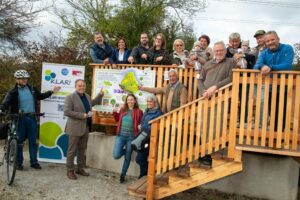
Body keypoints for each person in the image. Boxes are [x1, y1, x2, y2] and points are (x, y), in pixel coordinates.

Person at [0, 69, 61, 170]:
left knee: (33, 141)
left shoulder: (32, 89)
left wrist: (52, 91)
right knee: (19, 141)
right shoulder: (13, 91)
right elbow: (5, 103)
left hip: (32, 117)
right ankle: (18, 163)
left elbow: (40, 96)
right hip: (19, 119)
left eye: (25, 78)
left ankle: (34, 162)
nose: (24, 80)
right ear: (16, 79)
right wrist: (1, 109)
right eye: (21, 78)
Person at [197, 41, 236, 166]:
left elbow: (231, 78)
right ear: (214, 51)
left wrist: (216, 87)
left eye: (221, 50)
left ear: (225, 51)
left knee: (215, 126)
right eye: (217, 50)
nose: (219, 52)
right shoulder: (208, 64)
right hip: (206, 98)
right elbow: (200, 79)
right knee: (204, 126)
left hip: (221, 98)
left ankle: (211, 154)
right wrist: (203, 91)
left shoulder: (231, 62)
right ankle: (204, 152)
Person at [253, 31, 294, 131]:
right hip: (270, 87)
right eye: (267, 41)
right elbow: (256, 66)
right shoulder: (264, 53)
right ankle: (274, 136)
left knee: (283, 113)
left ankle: (280, 137)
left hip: (285, 87)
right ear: (265, 43)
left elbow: (287, 65)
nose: (270, 42)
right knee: (273, 112)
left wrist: (270, 67)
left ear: (278, 39)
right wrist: (262, 66)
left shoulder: (287, 48)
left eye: (272, 39)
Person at [64, 79, 104, 180]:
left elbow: (93, 103)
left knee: (82, 149)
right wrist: (82, 115)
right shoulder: (70, 97)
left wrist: (100, 95)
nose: (82, 87)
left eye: (83, 86)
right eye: (79, 86)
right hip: (74, 128)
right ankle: (70, 170)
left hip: (85, 127)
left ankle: (80, 168)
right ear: (75, 86)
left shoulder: (87, 96)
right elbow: (67, 111)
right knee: (72, 151)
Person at [113, 94, 143, 183]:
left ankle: (122, 175)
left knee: (127, 157)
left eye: (132, 99)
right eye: (128, 100)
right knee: (116, 155)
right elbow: (117, 119)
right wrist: (115, 112)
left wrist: (140, 126)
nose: (130, 101)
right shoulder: (122, 110)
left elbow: (141, 122)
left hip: (131, 137)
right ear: (126, 101)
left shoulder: (139, 111)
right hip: (121, 135)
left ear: (135, 101)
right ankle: (126, 151)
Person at [135, 94, 163, 178]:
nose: (148, 103)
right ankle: (144, 174)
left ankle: (146, 174)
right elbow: (143, 122)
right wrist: (140, 125)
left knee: (139, 158)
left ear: (155, 102)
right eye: (147, 101)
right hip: (143, 137)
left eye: (150, 101)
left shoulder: (158, 113)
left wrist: (142, 126)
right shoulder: (147, 111)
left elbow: (155, 127)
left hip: (150, 139)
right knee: (141, 158)